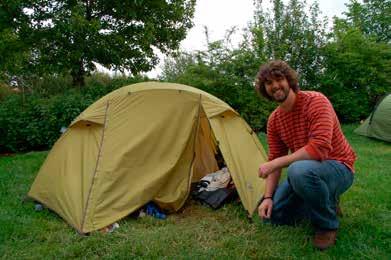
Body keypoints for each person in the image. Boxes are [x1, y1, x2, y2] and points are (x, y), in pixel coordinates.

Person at [254, 60, 356, 250]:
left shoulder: (316, 101)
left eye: (279, 79)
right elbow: (275, 157)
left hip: (339, 167)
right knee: (274, 216)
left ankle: (326, 225)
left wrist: (276, 163)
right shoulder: (274, 120)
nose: (275, 86)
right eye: (268, 83)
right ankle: (324, 200)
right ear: (264, 89)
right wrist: (268, 197)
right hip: (310, 171)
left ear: (289, 80)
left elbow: (319, 148)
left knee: (298, 170)